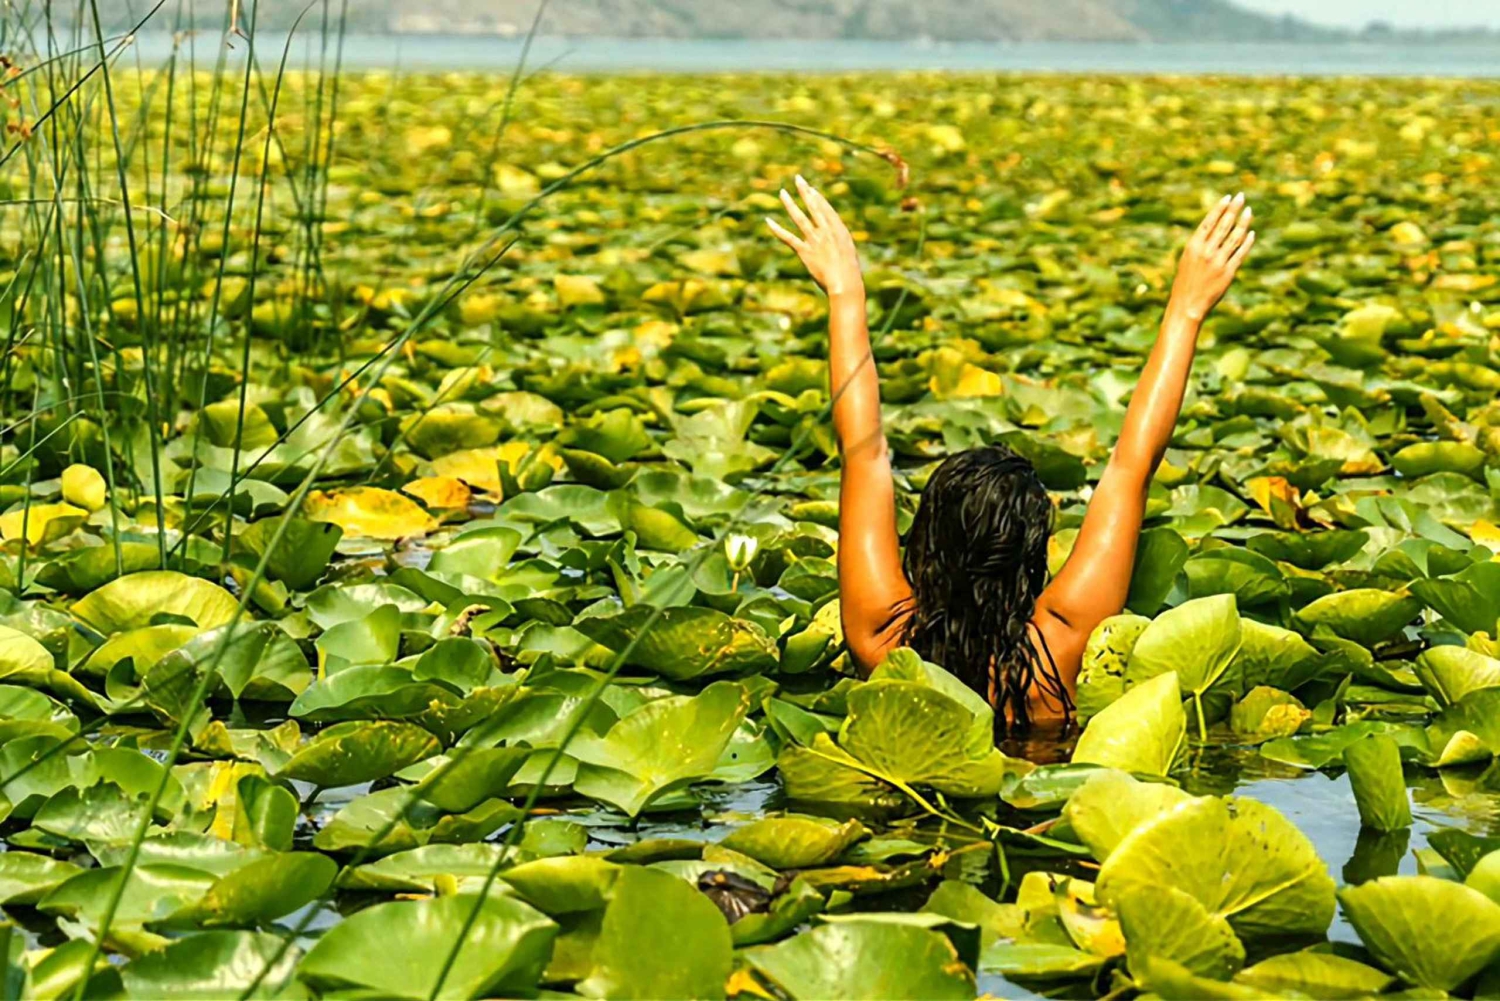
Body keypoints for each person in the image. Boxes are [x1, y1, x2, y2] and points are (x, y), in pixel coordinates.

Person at [768, 176, 1254, 733]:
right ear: (1032, 549)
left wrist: (844, 291)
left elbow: (865, 453)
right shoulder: (1058, 645)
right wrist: (1186, 310)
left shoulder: (879, 635)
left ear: (927, 537)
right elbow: (1130, 465)